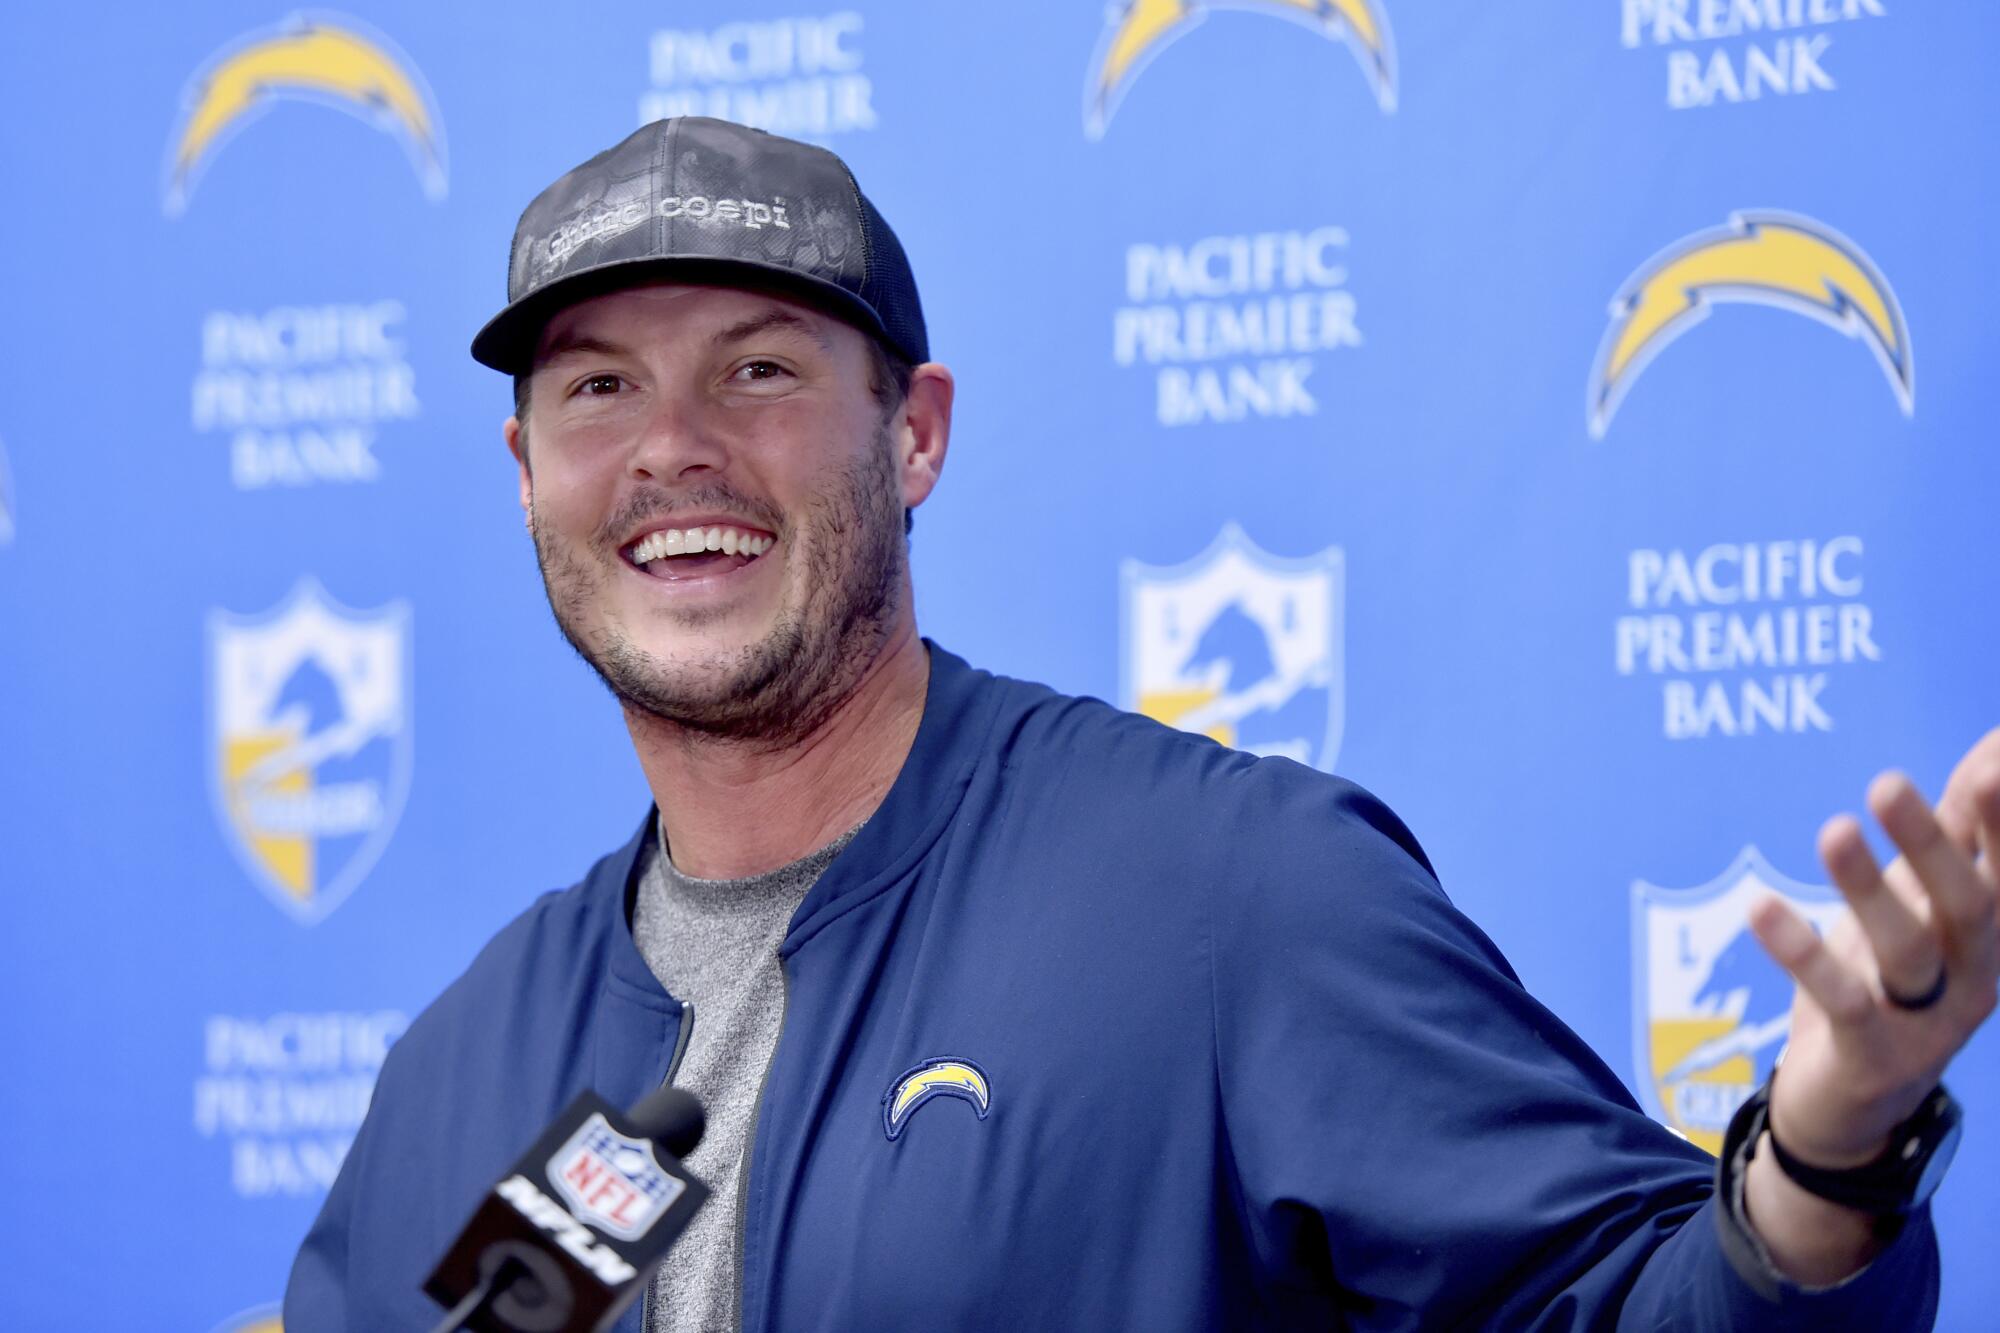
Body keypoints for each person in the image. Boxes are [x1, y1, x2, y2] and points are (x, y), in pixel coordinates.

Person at [285, 116, 1999, 1331]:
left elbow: (1618, 1306)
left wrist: (1827, 1160)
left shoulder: (1228, 893)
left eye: (759, 368)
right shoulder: (462, 1062)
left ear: (915, 437)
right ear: (527, 477)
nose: (671, 452)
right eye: (597, 387)